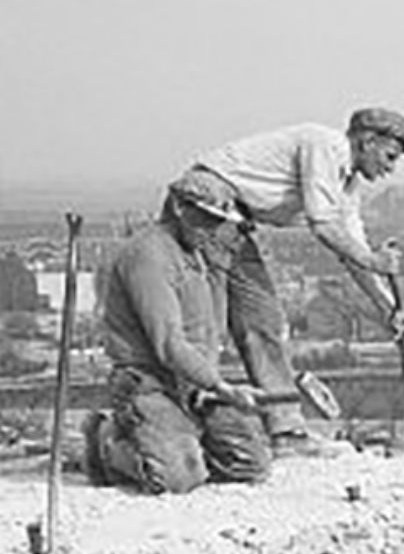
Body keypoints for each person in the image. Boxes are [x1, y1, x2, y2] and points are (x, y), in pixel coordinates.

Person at [180, 108, 404, 439]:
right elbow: (323, 226)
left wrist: (388, 307)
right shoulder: (323, 145)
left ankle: (285, 428)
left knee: (264, 321)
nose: (391, 168)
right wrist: (375, 260)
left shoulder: (347, 185)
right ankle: (182, 421)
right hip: (207, 201)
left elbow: (352, 252)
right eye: (389, 156)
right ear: (367, 141)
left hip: (234, 219)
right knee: (207, 322)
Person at [84, 170, 271, 494]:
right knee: (178, 479)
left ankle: (180, 439)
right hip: (148, 381)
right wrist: (221, 387)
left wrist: (209, 387)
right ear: (181, 208)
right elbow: (168, 344)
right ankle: (107, 442)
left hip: (193, 384)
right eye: (207, 219)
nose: (214, 229)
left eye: (219, 222)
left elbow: (208, 330)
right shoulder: (149, 255)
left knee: (250, 464)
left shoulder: (199, 255)